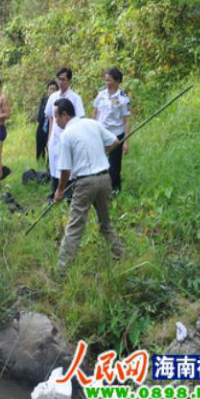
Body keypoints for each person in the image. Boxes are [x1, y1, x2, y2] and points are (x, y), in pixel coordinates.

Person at [51, 99, 123, 274]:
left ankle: (62, 269)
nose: (56, 122)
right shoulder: (92, 123)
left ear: (65, 114)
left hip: (84, 183)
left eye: (57, 117)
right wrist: (99, 151)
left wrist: (60, 191)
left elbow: (65, 169)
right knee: (106, 222)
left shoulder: (66, 135)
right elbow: (115, 141)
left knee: (75, 226)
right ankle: (120, 255)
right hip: (105, 179)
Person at [44, 67, 85, 200]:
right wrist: (49, 139)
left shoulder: (75, 98)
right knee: (54, 165)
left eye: (64, 79)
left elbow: (80, 119)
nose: (61, 82)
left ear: (69, 81)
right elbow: (50, 119)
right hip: (55, 137)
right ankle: (54, 191)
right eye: (59, 79)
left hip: (69, 137)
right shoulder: (53, 97)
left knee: (68, 165)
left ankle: (68, 193)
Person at [92, 67, 131, 194]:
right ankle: (99, 189)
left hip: (115, 135)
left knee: (114, 166)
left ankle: (115, 190)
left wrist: (126, 141)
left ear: (117, 81)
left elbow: (126, 120)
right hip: (100, 134)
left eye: (109, 81)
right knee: (98, 163)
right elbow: (95, 113)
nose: (107, 83)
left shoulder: (122, 98)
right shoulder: (101, 95)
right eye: (106, 81)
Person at [36, 81, 58, 162]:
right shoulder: (44, 100)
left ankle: (49, 163)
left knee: (50, 147)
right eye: (50, 89)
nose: (52, 91)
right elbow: (40, 113)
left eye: (54, 89)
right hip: (42, 125)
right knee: (40, 146)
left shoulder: (58, 101)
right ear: (47, 90)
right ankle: (39, 162)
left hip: (51, 127)